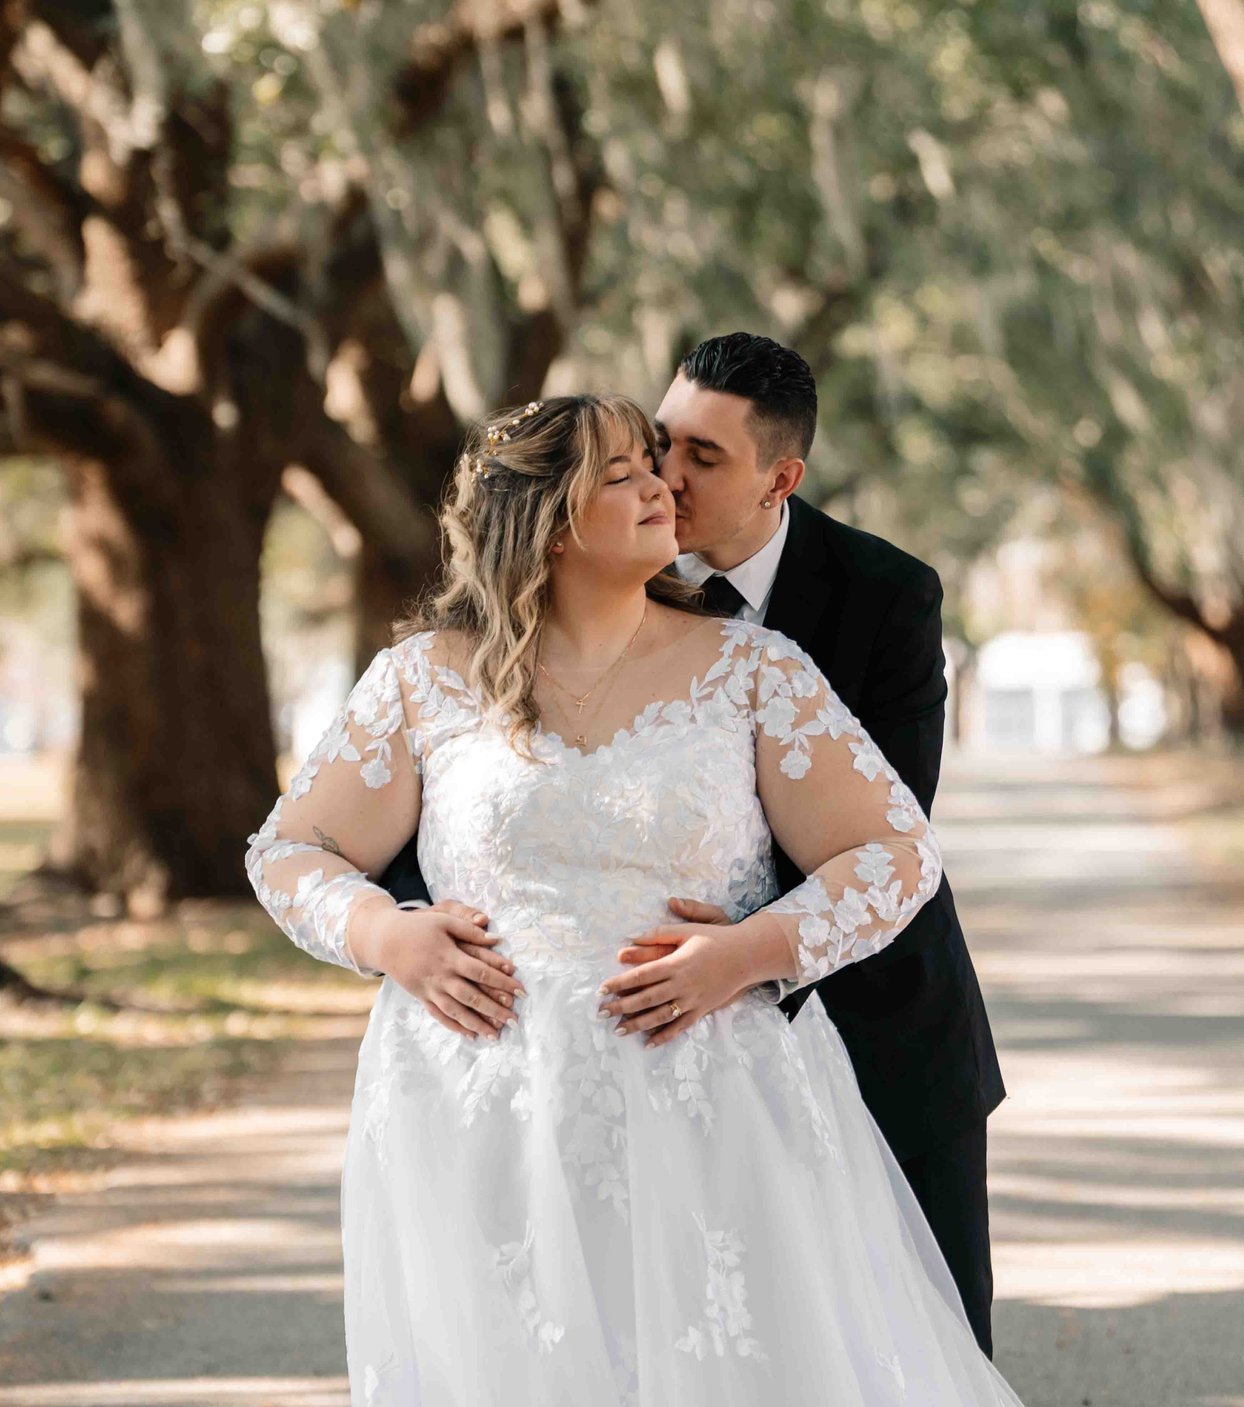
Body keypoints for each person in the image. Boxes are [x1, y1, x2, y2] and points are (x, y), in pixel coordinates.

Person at [248, 392, 1025, 1404]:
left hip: (713, 1104)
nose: (661, 484)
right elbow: (290, 850)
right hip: (477, 1111)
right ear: (547, 518)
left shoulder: (752, 672)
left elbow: (893, 850)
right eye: (623, 472)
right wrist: (387, 937)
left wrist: (754, 950)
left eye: (653, 464)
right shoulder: (420, 682)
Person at [651, 332, 1006, 1353]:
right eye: (662, 441)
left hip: (879, 1019)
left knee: (928, 1336)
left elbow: (893, 827)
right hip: (673, 1041)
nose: (667, 476)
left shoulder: (886, 593)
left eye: (704, 458)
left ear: (782, 478)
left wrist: (739, 951)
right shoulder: (607, 584)